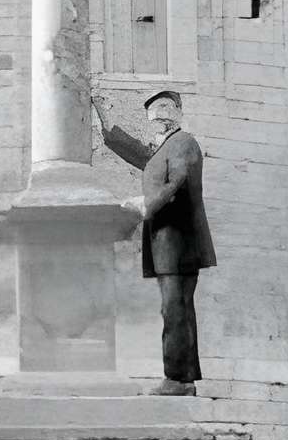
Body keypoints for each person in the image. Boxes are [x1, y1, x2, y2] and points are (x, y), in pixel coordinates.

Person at [91, 86, 215, 395]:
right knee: (176, 308)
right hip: (167, 243)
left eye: (164, 108)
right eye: (154, 110)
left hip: (180, 242)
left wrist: (147, 203)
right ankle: (183, 379)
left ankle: (178, 380)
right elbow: (136, 152)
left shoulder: (184, 143)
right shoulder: (162, 150)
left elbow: (178, 181)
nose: (158, 114)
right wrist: (103, 116)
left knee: (175, 309)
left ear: (176, 115)